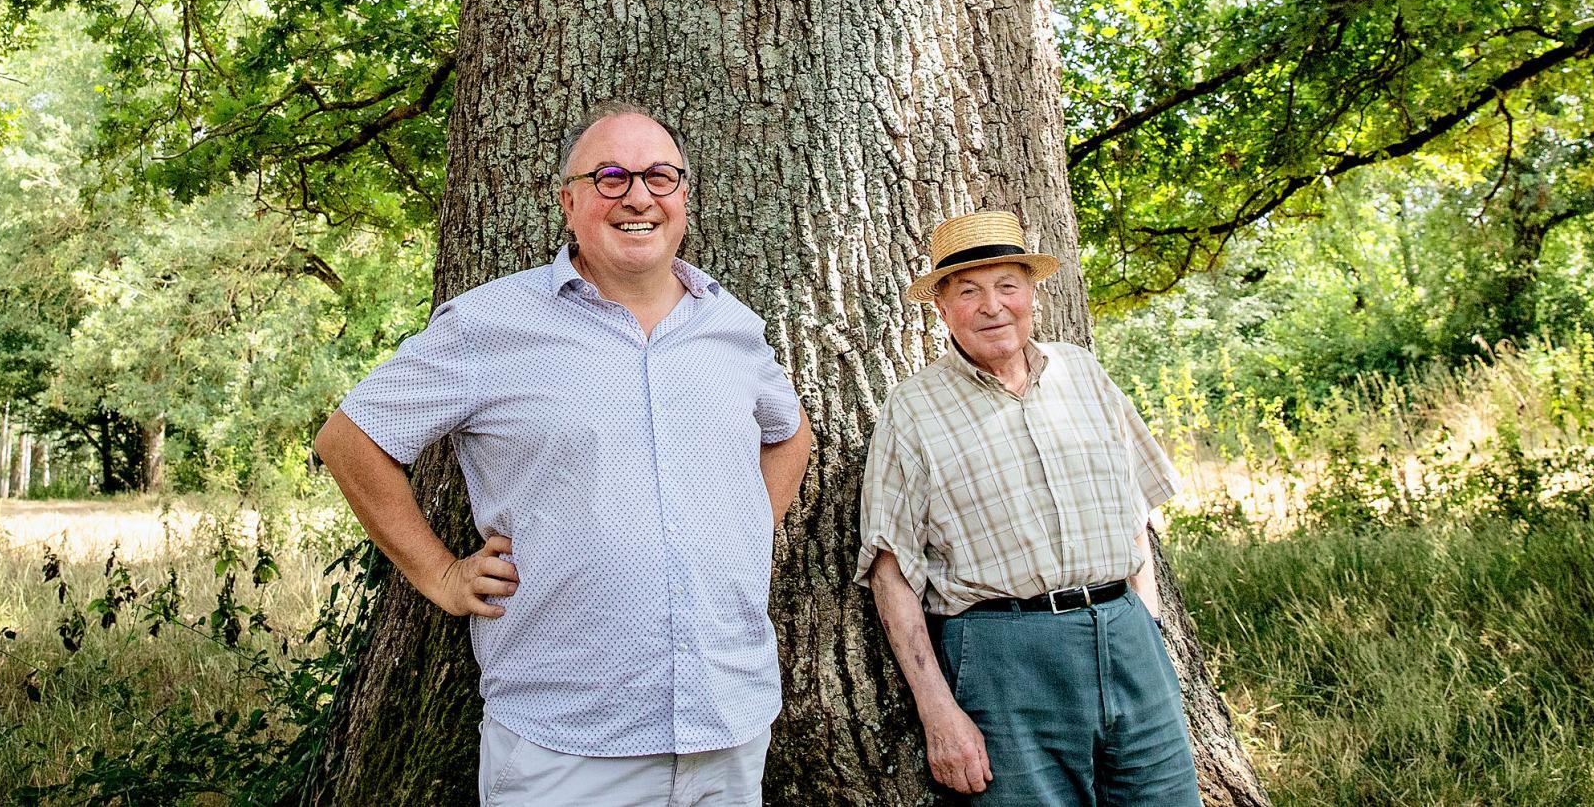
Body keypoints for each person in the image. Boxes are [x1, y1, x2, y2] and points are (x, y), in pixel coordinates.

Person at [314, 101, 815, 807]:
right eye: (610, 177)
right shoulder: (490, 325)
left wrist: (742, 530)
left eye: (660, 177)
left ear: (684, 198)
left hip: (726, 725)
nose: (638, 195)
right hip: (566, 740)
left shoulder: (731, 324)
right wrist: (442, 575)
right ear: (569, 201)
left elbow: (791, 433)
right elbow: (350, 438)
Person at [856, 210, 1198, 805]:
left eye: (1007, 286)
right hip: (1004, 661)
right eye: (969, 291)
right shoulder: (912, 410)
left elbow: (1136, 506)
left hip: (1128, 642)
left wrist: (1146, 619)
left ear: (1032, 292)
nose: (993, 306)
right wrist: (939, 711)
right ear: (942, 307)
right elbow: (891, 571)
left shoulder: (1083, 373)